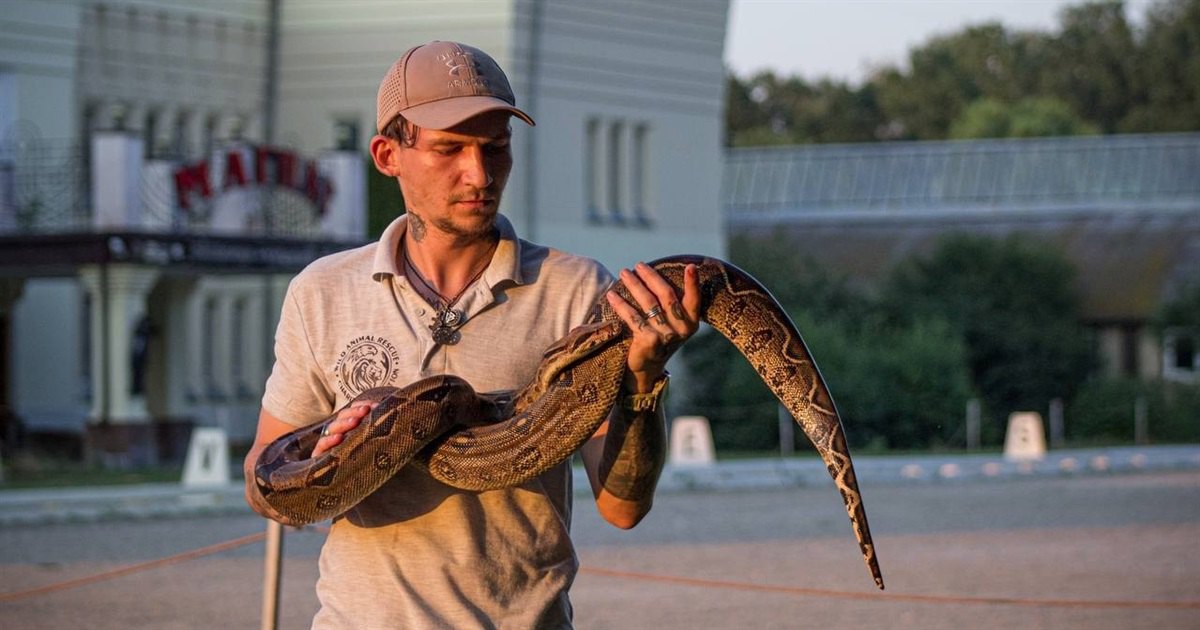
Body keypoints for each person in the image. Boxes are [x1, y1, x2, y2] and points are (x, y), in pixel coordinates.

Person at [243, 40, 700, 629]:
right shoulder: (323, 291)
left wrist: (642, 380)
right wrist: (333, 444)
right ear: (388, 154)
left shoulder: (577, 290)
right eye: (449, 149)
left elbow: (622, 508)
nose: (478, 174)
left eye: (496, 148)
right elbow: (266, 480)